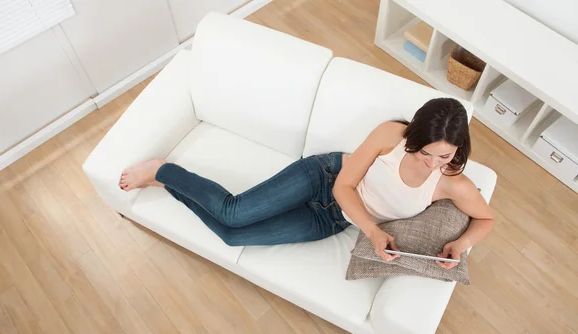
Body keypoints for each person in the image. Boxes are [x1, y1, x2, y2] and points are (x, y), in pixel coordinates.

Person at [119, 98, 495, 269]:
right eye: (424, 152)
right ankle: (165, 170)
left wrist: (460, 245)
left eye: (443, 156)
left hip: (331, 221)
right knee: (233, 213)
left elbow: (487, 219)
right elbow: (343, 188)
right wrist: (373, 232)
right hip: (323, 178)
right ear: (413, 136)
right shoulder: (391, 134)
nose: (431, 163)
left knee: (232, 235)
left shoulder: (454, 184)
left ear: (458, 150)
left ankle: (168, 184)